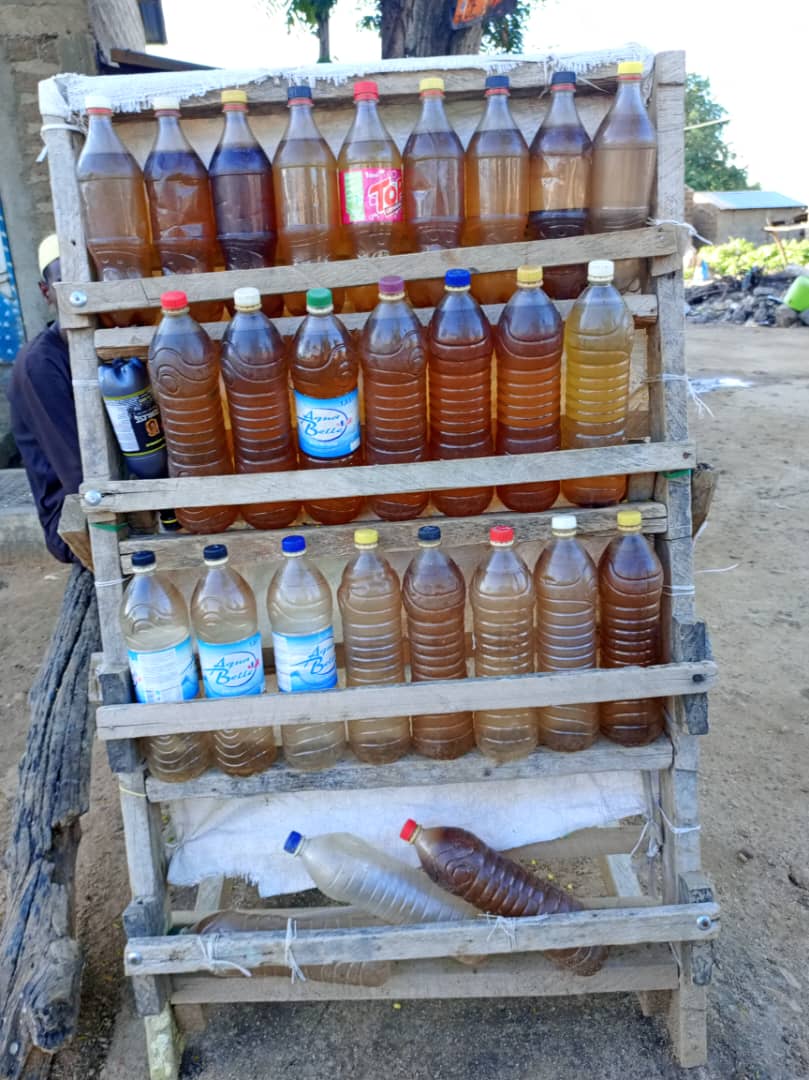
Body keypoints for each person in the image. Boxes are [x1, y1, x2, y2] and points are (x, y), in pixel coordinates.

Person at [8, 234, 82, 563]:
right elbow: (81, 479)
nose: (78, 293)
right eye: (64, 282)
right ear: (46, 292)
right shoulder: (41, 365)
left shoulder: (100, 347)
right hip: (72, 524)